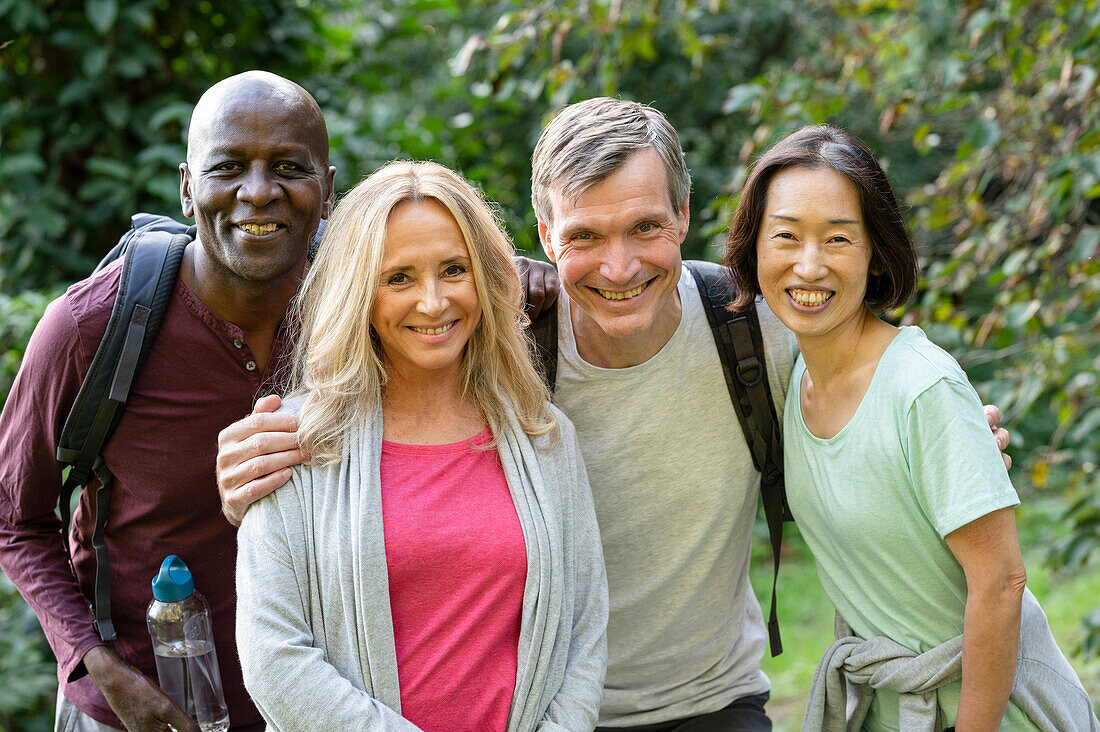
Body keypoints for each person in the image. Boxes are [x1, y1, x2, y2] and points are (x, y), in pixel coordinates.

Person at [217, 98, 1012, 731]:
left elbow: (870, 383)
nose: (621, 266)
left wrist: (956, 444)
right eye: (587, 236)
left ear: (686, 215)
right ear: (544, 237)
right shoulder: (504, 356)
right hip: (546, 708)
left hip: (711, 704)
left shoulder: (754, 329)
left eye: (645, 227)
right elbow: (372, 424)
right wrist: (257, 474)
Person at [724, 125, 1098, 731]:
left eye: (838, 238)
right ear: (754, 248)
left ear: (875, 252)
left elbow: (1002, 586)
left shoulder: (922, 387)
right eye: (786, 236)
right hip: (890, 711)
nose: (809, 265)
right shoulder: (794, 378)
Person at [0, 70, 335, 731]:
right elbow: (14, 517)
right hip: (138, 712)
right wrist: (98, 666)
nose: (259, 192)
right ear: (187, 187)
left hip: (322, 706)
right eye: (229, 167)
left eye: (289, 167)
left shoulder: (361, 314)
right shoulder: (90, 328)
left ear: (327, 191)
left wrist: (521, 280)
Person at [233, 160, 608, 731]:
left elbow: (584, 630)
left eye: (453, 270)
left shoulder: (543, 435)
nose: (433, 302)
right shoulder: (293, 442)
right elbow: (274, 658)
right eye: (399, 278)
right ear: (360, 291)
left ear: (484, 278)